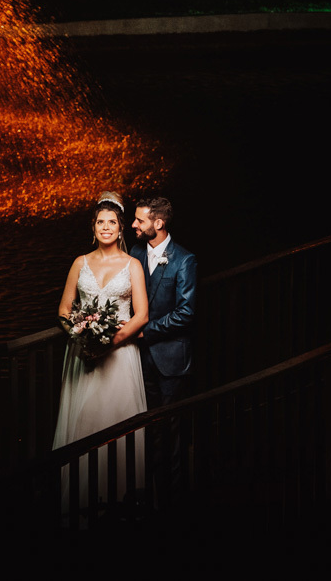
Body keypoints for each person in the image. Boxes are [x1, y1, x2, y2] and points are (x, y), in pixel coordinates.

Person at [52, 191, 149, 509]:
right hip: (83, 355)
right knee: (84, 422)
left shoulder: (133, 265)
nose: (105, 227)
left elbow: (142, 315)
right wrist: (78, 335)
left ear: (120, 228)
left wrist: (111, 342)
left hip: (119, 357)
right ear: (93, 228)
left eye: (111, 222)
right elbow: (64, 311)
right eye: (99, 222)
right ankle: (81, 504)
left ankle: (120, 503)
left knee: (116, 424)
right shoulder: (79, 263)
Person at [130, 196, 196, 506]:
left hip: (171, 361)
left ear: (158, 223)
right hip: (140, 361)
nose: (134, 225)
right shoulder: (134, 254)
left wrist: (146, 331)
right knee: (150, 432)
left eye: (140, 221)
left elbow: (186, 313)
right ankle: (152, 498)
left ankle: (176, 503)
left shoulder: (184, 260)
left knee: (173, 434)